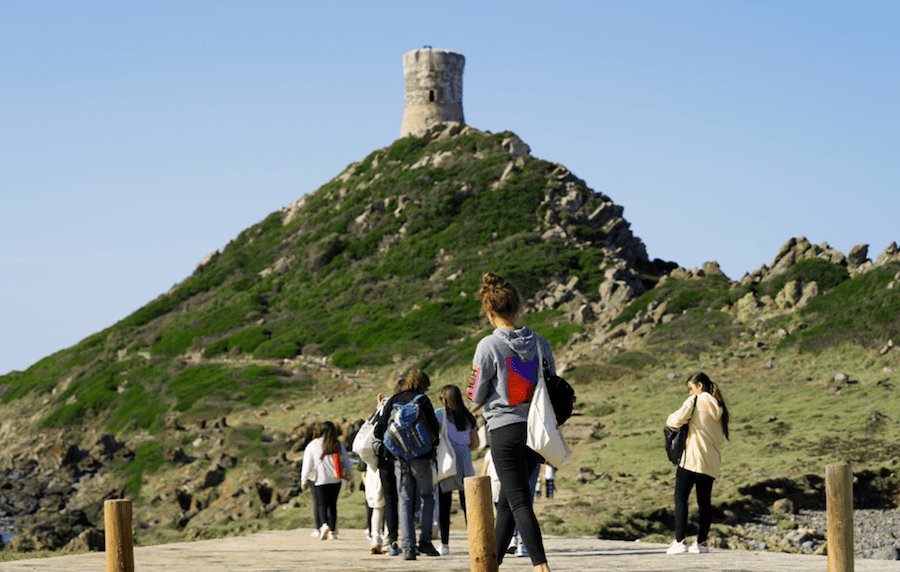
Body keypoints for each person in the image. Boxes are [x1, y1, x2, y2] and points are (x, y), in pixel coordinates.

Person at [467, 272, 555, 572]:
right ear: (517, 307)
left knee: (518, 501)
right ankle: (492, 565)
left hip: (504, 430)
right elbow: (553, 383)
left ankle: (541, 566)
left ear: (490, 313)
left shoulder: (488, 346)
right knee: (507, 503)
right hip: (536, 430)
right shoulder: (541, 344)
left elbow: (475, 395)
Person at [375, 370, 441, 560]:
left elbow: (379, 431)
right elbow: (434, 430)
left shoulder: (394, 399)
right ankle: (426, 541)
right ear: (423, 384)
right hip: (422, 458)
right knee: (428, 496)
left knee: (404, 500)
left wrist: (398, 447)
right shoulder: (423, 400)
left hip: (400, 459)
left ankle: (408, 547)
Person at [665, 372, 730, 555]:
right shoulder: (719, 407)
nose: (689, 393)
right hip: (711, 462)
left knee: (680, 498)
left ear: (699, 386)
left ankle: (680, 541)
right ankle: (701, 543)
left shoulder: (695, 401)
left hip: (692, 459)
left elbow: (675, 421)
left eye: (690, 388)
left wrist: (670, 418)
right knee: (704, 503)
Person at [434, 384, 479, 556]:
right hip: (465, 463)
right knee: (467, 506)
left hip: (447, 462)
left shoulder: (440, 414)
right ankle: (473, 543)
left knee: (444, 505)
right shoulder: (468, 417)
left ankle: (444, 544)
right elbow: (476, 444)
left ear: (444, 399)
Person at [301, 421, 355, 540]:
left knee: (322, 504)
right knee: (332, 505)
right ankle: (332, 532)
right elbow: (346, 462)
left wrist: (303, 480)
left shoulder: (313, 444)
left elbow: (307, 464)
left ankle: (324, 525)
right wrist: (352, 479)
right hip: (336, 480)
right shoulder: (338, 444)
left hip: (320, 480)